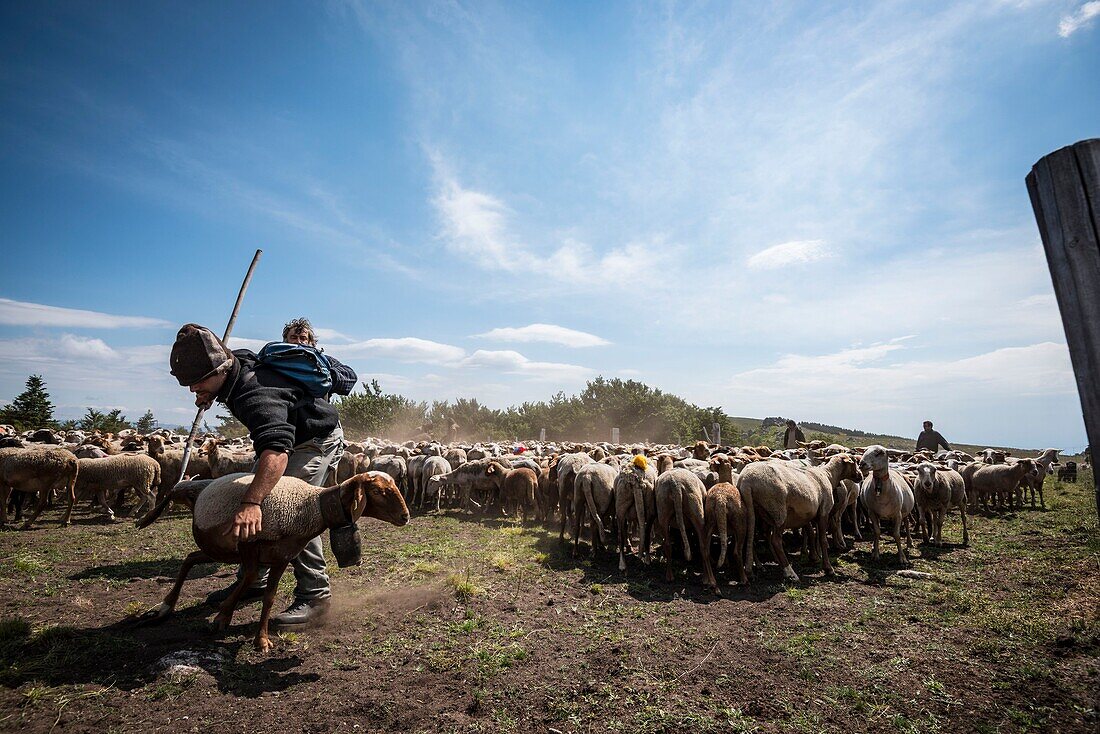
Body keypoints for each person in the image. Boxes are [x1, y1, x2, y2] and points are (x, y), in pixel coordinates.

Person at [168, 322, 351, 629]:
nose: (192, 389)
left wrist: (252, 503)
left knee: (293, 510)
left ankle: (316, 596)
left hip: (314, 440)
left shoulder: (255, 395)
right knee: (258, 497)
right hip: (289, 438)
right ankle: (253, 580)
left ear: (220, 370)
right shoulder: (233, 365)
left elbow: (277, 453)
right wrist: (208, 393)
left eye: (198, 381)